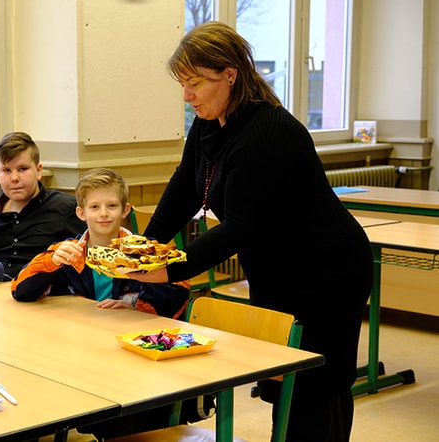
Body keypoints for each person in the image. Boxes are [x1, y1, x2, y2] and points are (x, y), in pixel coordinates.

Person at [130, 22, 373, 442]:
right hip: (277, 266)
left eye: (194, 83)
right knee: (283, 382)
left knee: (315, 386)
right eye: (182, 84)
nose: (186, 96)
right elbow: (186, 182)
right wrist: (146, 245)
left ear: (230, 75)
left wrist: (170, 268)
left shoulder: (268, 132)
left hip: (326, 270)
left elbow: (242, 225)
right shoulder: (210, 122)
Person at [10, 167, 190, 319]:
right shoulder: (67, 253)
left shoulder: (147, 251)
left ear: (125, 210)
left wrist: (136, 308)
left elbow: (180, 287)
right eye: (94, 207)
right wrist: (52, 262)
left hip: (132, 331)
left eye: (112, 206)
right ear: (81, 213)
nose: (104, 213)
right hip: (82, 332)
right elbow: (20, 290)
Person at [0, 131, 86, 279]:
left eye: (23, 169)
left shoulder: (66, 209)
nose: (14, 178)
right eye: (6, 170)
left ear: (38, 171)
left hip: (44, 289)